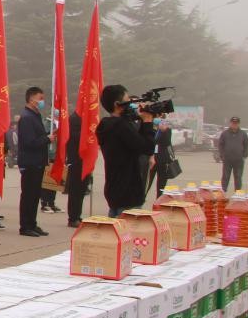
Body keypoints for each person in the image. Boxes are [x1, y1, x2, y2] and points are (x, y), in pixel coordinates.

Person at [97, 85, 156, 217]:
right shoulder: (121, 126)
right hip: (128, 193)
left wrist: (141, 120)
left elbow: (136, 144)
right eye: (128, 99)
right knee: (127, 236)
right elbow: (147, 147)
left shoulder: (106, 125)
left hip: (114, 190)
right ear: (118, 104)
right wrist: (147, 122)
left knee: (115, 234)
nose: (131, 103)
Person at [14, 86, 50, 237]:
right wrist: (47, 139)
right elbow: (29, 142)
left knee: (35, 195)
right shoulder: (27, 117)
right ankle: (25, 226)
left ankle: (32, 223)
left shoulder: (35, 115)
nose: (42, 101)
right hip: (30, 162)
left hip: (38, 161)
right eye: (40, 98)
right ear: (31, 99)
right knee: (28, 194)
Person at [64, 110, 86, 228]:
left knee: (82, 190)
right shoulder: (74, 118)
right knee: (75, 190)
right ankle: (73, 217)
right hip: (76, 159)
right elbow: (72, 136)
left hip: (84, 160)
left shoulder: (86, 116)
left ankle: (77, 215)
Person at [219, 117, 248, 192]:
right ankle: (223, 191)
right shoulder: (225, 133)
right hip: (227, 159)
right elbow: (220, 145)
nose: (234, 125)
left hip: (239, 160)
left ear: (238, 124)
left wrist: (245, 155)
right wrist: (222, 155)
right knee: (225, 177)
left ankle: (238, 193)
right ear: (230, 123)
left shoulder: (243, 134)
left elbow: (246, 145)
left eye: (236, 123)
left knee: (238, 177)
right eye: (233, 123)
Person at [154, 119, 177, 197]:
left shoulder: (167, 130)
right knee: (148, 180)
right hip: (152, 159)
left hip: (163, 159)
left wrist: (164, 130)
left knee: (162, 180)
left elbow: (167, 142)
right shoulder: (151, 129)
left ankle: (159, 197)